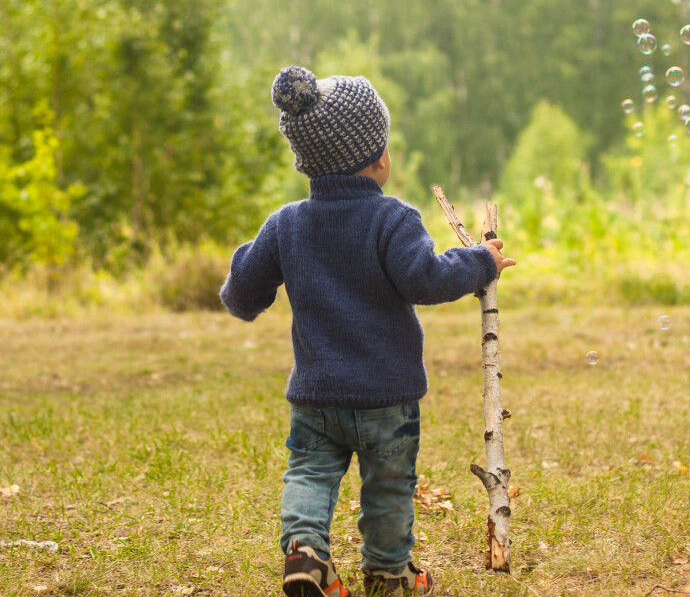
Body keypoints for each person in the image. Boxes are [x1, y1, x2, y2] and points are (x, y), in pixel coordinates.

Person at [220, 65, 515, 597]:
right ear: (377, 156)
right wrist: (481, 262)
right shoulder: (394, 219)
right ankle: (388, 573)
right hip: (387, 399)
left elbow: (240, 295)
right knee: (388, 487)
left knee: (309, 474)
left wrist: (252, 268)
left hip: (316, 398)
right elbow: (427, 278)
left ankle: (306, 553)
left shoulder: (285, 224)